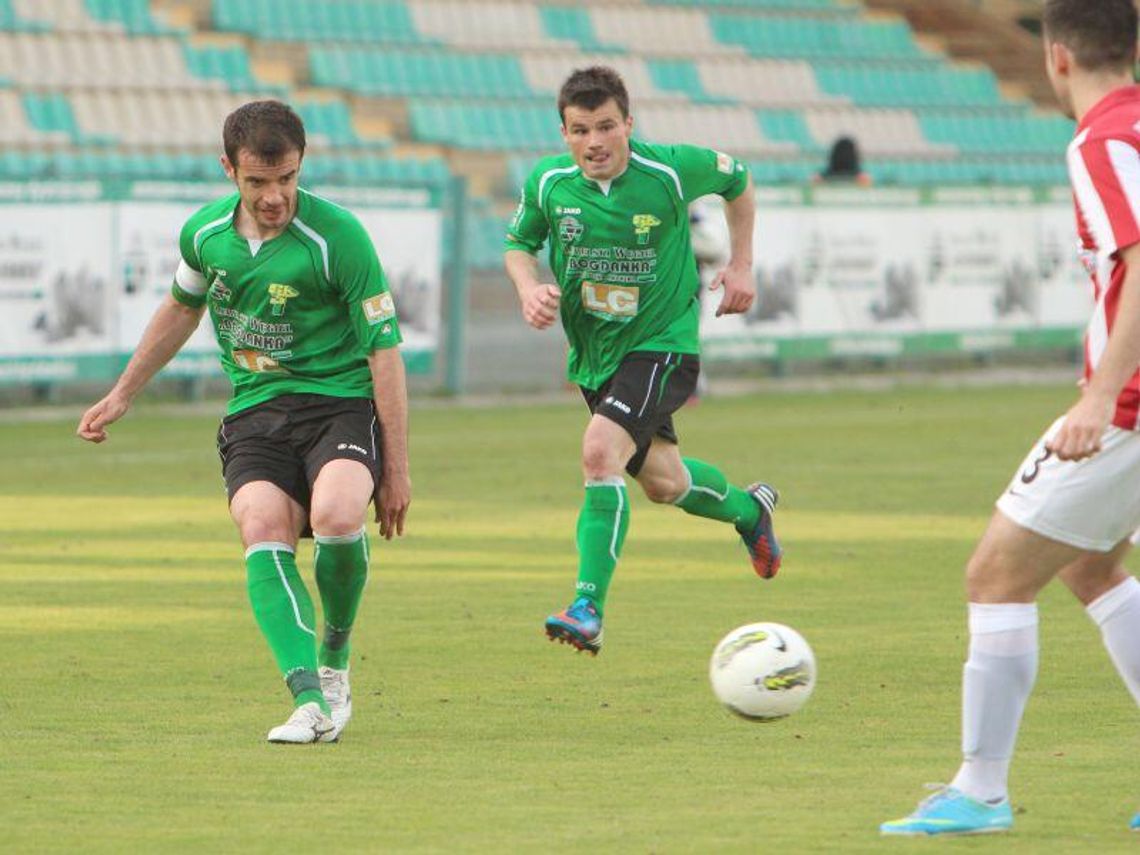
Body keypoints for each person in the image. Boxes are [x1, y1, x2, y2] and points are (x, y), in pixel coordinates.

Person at [881, 0, 1140, 835]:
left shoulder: (1103, 140)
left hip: (1131, 407)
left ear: (1055, 57)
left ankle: (981, 790)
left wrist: (1101, 394)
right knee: (1091, 568)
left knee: (996, 574)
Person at [76, 100, 411, 744]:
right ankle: (308, 700)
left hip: (338, 402)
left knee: (340, 516)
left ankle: (336, 661)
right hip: (256, 409)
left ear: (300, 167)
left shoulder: (338, 239)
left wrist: (396, 469)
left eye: (285, 179)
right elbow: (180, 309)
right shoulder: (204, 236)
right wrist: (123, 393)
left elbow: (384, 352)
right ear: (229, 169)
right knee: (260, 524)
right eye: (258, 181)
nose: (275, 196)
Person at [503, 66, 781, 655]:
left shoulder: (670, 169)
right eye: (580, 130)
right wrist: (529, 287)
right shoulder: (548, 182)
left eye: (606, 126)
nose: (595, 142)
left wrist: (743, 264)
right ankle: (748, 510)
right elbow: (518, 245)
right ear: (564, 132)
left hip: (662, 343)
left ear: (629, 123)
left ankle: (587, 607)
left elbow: (740, 181)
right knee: (665, 482)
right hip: (595, 357)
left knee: (599, 451)